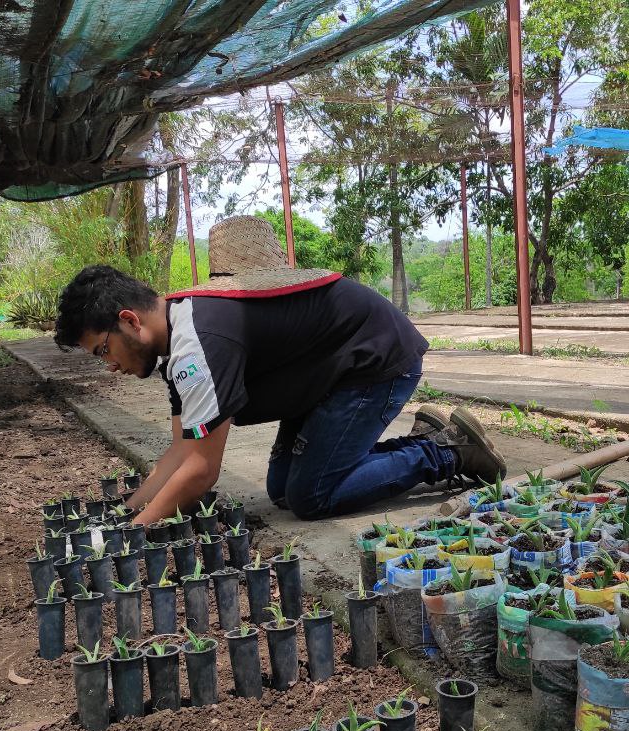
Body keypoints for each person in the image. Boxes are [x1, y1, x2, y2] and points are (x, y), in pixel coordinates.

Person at [54, 215, 506, 524]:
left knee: (313, 496)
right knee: (283, 491)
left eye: (102, 350)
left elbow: (200, 471)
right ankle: (424, 439)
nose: (108, 365)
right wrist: (129, 509)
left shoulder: (202, 344)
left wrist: (137, 530)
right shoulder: (178, 345)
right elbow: (180, 449)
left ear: (129, 321)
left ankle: (448, 451)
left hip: (376, 363)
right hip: (326, 376)